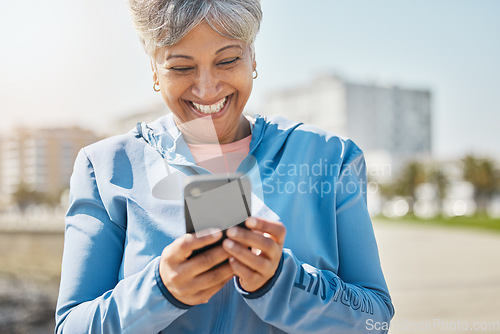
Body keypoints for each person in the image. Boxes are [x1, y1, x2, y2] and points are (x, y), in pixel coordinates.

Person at [55, 0, 394, 333]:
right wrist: (159, 291)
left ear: (252, 57)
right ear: (154, 68)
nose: (207, 89)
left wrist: (282, 283)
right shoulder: (104, 168)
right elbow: (71, 327)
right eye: (181, 67)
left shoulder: (330, 158)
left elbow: (374, 320)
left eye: (228, 59)